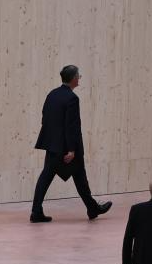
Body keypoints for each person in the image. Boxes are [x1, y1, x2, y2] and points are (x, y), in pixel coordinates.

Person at [30, 65, 112, 223]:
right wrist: (72, 150)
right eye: (78, 76)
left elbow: (45, 117)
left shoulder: (52, 94)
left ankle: (36, 211)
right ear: (74, 78)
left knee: (46, 178)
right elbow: (71, 126)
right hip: (67, 148)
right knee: (79, 177)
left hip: (53, 146)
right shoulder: (72, 99)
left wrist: (53, 141)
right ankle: (92, 208)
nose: (79, 78)